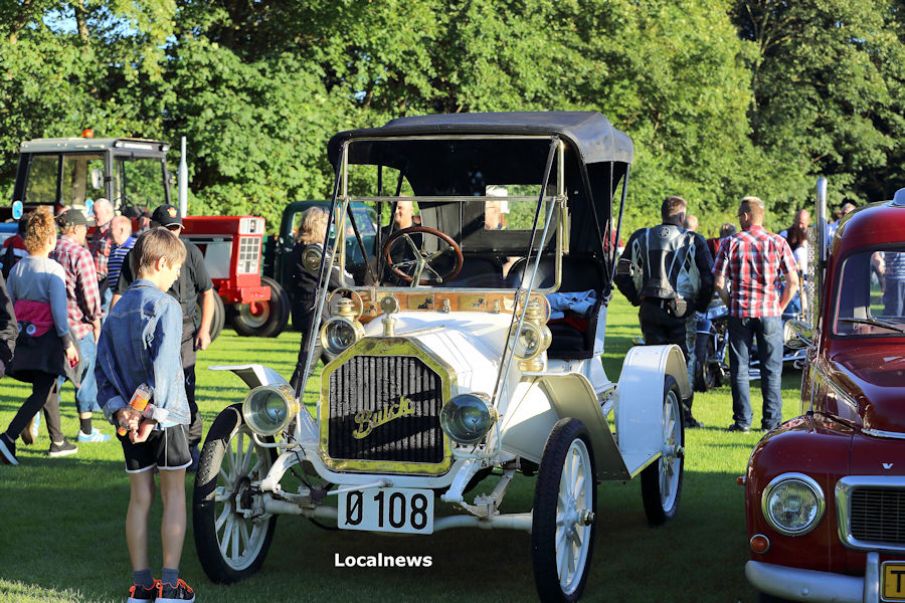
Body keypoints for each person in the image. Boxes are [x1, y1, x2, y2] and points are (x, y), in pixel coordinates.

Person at [96, 227, 195, 602]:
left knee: (139, 499)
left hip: (127, 420)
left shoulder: (116, 309)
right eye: (175, 270)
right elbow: (166, 367)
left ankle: (140, 587)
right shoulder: (165, 306)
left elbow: (101, 375)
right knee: (173, 498)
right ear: (158, 262)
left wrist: (122, 414)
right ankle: (170, 587)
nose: (175, 278)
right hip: (164, 419)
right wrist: (153, 416)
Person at [113, 204, 214, 469]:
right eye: (167, 229)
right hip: (146, 331)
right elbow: (120, 293)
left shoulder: (189, 252)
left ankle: (188, 446)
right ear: (154, 230)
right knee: (145, 387)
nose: (173, 233)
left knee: (184, 388)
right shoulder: (138, 254)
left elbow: (207, 292)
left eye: (176, 228)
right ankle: (148, 441)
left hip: (183, 331)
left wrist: (204, 329)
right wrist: (114, 325)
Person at [614, 195, 714, 427]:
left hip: (650, 307)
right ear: (681, 216)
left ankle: (655, 413)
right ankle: (684, 415)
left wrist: (636, 297)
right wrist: (698, 305)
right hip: (681, 308)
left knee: (653, 362)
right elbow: (709, 277)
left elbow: (620, 271)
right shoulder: (692, 240)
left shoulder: (641, 236)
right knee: (685, 361)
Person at [0, 208, 80, 464]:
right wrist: (68, 343)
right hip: (46, 340)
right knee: (43, 391)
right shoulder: (53, 270)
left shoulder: (17, 269)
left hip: (23, 337)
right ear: (50, 239)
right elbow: (59, 312)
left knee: (47, 388)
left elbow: (8, 303)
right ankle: (8, 437)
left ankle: (58, 440)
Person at [713, 196, 799, 433]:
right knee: (771, 369)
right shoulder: (777, 242)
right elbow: (793, 282)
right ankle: (771, 423)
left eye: (740, 215)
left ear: (747, 215)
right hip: (770, 312)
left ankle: (742, 422)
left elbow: (719, 281)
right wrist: (780, 307)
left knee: (739, 369)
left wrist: (729, 302)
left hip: (740, 312)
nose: (739, 219)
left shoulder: (731, 242)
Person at [50, 209, 108, 443]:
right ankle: (86, 430)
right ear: (74, 228)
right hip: (78, 328)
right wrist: (96, 321)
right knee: (84, 379)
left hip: (52, 325)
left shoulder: (51, 250)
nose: (87, 232)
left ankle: (32, 421)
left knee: (52, 381)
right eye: (84, 228)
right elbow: (90, 295)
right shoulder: (80, 254)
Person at [288, 207, 352, 389]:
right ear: (317, 225)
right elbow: (340, 279)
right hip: (316, 314)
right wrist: (348, 279)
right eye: (326, 224)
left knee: (339, 365)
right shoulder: (312, 253)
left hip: (320, 314)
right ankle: (288, 409)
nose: (329, 229)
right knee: (305, 368)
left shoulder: (311, 249)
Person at [90, 198, 115, 293]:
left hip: (106, 284)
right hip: (94, 282)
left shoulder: (115, 232)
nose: (93, 216)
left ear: (107, 212)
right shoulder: (97, 232)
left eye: (95, 213)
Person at [108, 215, 136, 290]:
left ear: (121, 230)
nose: (108, 231)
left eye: (111, 228)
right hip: (114, 293)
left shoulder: (135, 246)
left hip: (128, 292)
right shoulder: (113, 248)